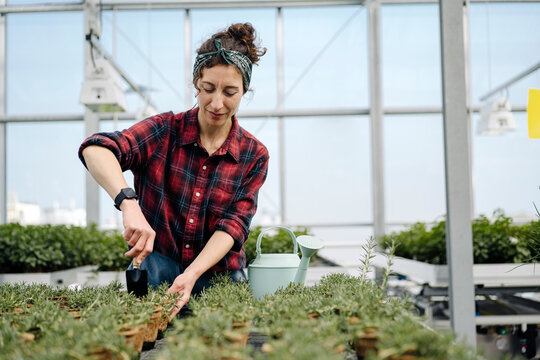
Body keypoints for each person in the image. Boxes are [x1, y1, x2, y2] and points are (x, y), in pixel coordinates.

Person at [78, 23, 268, 318]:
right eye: (208, 89)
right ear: (196, 83)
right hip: (155, 271)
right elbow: (96, 148)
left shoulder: (253, 155)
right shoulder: (164, 130)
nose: (216, 103)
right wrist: (128, 202)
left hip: (218, 278)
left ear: (245, 90)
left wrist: (191, 274)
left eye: (230, 92)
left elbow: (233, 226)